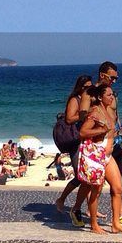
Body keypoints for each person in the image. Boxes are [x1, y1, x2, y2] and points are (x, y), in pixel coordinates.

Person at [77, 83, 122, 235]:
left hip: (108, 155)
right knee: (96, 190)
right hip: (96, 155)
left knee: (117, 188)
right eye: (109, 95)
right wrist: (101, 129)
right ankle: (94, 224)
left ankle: (115, 223)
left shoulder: (109, 111)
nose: (112, 97)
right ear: (100, 97)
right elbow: (83, 132)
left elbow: (111, 132)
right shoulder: (95, 112)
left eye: (113, 95)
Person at [52, 74, 93, 223]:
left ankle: (89, 208)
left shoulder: (87, 100)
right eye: (87, 87)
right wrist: (83, 115)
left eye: (91, 86)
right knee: (80, 177)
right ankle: (62, 200)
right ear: (81, 87)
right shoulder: (75, 100)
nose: (89, 89)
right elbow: (69, 119)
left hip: (85, 140)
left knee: (87, 176)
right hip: (75, 140)